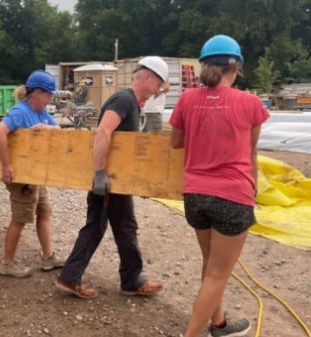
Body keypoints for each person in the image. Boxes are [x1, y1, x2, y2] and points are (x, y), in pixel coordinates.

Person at [170, 34, 268, 337]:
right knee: (217, 274)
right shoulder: (250, 103)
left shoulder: (187, 99)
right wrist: (253, 190)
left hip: (195, 196)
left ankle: (220, 324)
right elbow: (250, 153)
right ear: (235, 66)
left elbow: (176, 143)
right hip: (232, 196)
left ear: (204, 66)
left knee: (211, 267)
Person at [54, 56, 168, 299]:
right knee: (102, 227)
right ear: (147, 77)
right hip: (107, 180)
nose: (159, 88)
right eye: (158, 83)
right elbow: (103, 132)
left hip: (116, 180)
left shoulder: (132, 103)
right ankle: (80, 277)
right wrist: (99, 173)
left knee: (120, 227)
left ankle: (125, 279)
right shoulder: (123, 100)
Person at [0, 70, 66, 278]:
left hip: (36, 175)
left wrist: (47, 128)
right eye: (48, 94)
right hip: (21, 177)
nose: (50, 99)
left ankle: (48, 257)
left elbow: (60, 130)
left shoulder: (42, 113)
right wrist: (6, 166)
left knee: (44, 211)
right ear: (36, 93)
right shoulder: (20, 111)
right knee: (20, 218)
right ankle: (7, 264)